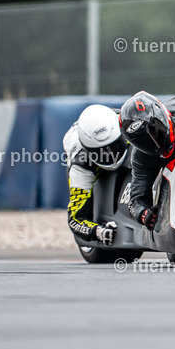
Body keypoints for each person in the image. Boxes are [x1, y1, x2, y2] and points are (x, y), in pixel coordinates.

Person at [119, 91, 175, 228]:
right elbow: (137, 199)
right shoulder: (142, 155)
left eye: (156, 131)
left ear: (163, 118)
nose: (154, 144)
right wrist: (144, 214)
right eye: (141, 142)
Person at [62, 104, 128, 250]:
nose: (110, 154)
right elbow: (75, 220)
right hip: (78, 149)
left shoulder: (127, 128)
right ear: (89, 150)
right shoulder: (80, 166)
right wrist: (98, 232)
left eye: (114, 146)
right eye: (101, 152)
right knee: (82, 201)